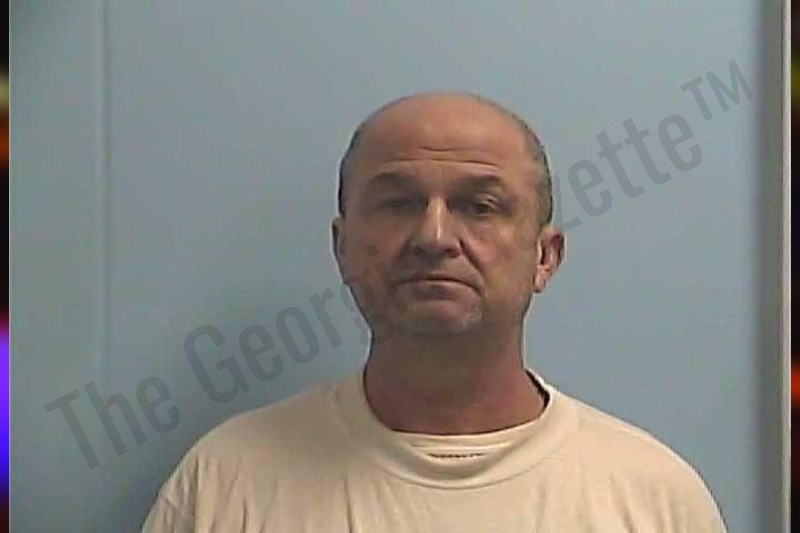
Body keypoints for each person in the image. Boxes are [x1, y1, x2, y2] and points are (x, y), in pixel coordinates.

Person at [142, 92, 726, 531]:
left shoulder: (653, 499)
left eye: (481, 206)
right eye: (398, 203)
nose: (435, 236)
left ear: (544, 257)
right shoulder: (225, 481)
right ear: (342, 247)